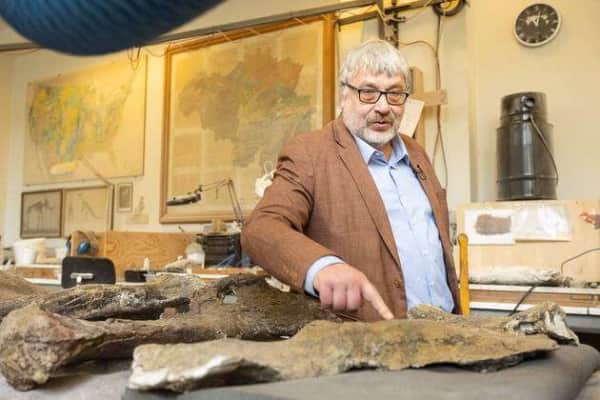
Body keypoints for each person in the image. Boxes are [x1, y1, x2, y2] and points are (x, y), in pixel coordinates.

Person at [241, 40, 460, 322]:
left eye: (394, 94)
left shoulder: (416, 153)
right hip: (368, 339)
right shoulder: (310, 153)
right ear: (344, 96)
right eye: (368, 92)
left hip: (447, 329)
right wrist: (322, 267)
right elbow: (261, 227)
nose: (383, 107)